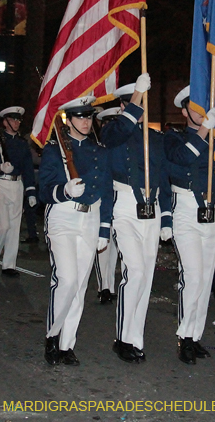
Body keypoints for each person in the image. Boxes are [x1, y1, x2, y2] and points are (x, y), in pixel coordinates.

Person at [101, 75, 172, 363]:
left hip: (151, 208)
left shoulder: (155, 139)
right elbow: (116, 135)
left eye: (144, 100)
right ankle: (122, 338)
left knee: (147, 276)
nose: (141, 106)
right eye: (134, 101)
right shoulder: (111, 132)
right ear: (123, 105)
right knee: (136, 272)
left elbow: (164, 179)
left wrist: (166, 217)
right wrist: (135, 102)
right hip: (126, 207)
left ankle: (135, 337)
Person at [39, 96, 112, 366]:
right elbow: (45, 188)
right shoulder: (53, 149)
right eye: (79, 117)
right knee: (67, 279)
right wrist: (64, 190)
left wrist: (104, 227)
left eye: (88, 117)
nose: (85, 121)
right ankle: (53, 334)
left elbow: (106, 192)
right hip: (63, 217)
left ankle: (67, 344)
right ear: (68, 120)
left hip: (90, 219)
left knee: (80, 285)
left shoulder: (100, 151)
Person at [165, 86, 215, 364]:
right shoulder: (173, 137)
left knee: (206, 279)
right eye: (195, 108)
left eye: (203, 107)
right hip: (186, 210)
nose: (200, 113)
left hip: (212, 210)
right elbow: (182, 159)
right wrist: (204, 132)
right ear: (184, 111)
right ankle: (184, 336)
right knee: (193, 276)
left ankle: (196, 335)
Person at [0, 106, 37, 277]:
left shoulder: (22, 143)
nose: (16, 123)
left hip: (17, 185)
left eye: (18, 120)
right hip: (1, 184)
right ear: (4, 122)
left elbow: (28, 168)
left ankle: (9, 265)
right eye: (13, 120)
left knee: (14, 227)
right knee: (4, 225)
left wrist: (30, 191)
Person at [93, 106, 122, 304]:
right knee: (103, 244)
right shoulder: (98, 148)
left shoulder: (121, 147)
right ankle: (103, 285)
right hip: (104, 199)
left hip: (120, 198)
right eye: (108, 123)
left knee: (116, 246)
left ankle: (110, 285)